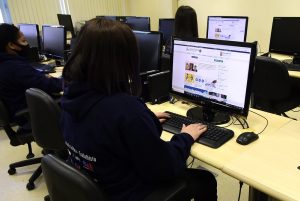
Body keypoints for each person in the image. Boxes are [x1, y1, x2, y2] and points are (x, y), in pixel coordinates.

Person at [61, 18, 217, 201]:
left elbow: (113, 131)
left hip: (101, 185)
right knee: (205, 179)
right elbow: (165, 168)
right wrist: (185, 138)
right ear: (121, 60)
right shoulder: (126, 110)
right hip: (130, 193)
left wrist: (146, 121)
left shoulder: (71, 95)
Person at [0, 23, 62, 128]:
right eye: (23, 41)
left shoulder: (6, 63)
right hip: (32, 116)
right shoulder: (15, 67)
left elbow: (32, 79)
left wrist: (41, 76)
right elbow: (51, 86)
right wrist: (69, 79)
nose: (27, 44)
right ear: (11, 45)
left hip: (24, 110)